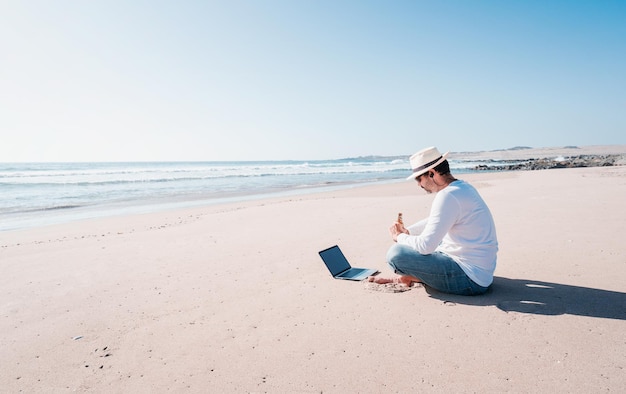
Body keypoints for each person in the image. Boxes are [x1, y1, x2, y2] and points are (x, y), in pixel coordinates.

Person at [370, 146, 498, 295]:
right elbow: (436, 220)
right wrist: (409, 232)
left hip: (470, 279)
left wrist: (399, 237)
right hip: (481, 273)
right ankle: (416, 277)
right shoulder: (462, 188)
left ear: (432, 173)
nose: (418, 184)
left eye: (419, 178)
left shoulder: (447, 196)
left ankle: (414, 277)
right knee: (427, 239)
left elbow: (426, 247)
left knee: (395, 254)